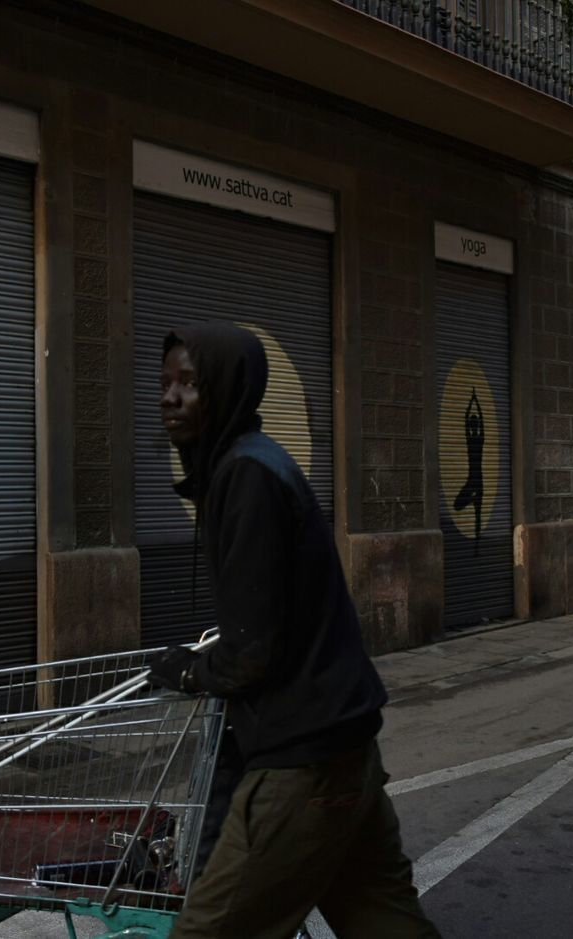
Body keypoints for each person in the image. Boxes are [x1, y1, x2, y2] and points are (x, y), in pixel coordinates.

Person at [146, 323, 439, 939]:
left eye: (189, 384)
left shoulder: (243, 476)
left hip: (303, 764)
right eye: (165, 381)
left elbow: (254, 652)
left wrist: (187, 670)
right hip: (345, 749)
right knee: (383, 920)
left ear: (226, 389)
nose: (168, 396)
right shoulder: (253, 462)